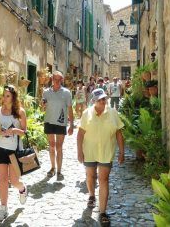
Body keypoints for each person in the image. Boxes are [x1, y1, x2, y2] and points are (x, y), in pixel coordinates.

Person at [77, 88, 125, 227]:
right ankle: (92, 195)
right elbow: (80, 134)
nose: (103, 101)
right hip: (90, 151)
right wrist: (79, 151)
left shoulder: (113, 113)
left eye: (104, 98)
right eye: (100, 100)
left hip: (106, 151)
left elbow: (119, 134)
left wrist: (121, 152)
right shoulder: (87, 114)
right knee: (90, 176)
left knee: (104, 179)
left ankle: (103, 212)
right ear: (94, 101)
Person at [0, 85, 28, 221]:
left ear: (13, 97)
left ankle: (22, 189)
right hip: (0, 149)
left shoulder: (20, 112)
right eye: (3, 95)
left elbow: (24, 132)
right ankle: (3, 208)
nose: (4, 98)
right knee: (3, 180)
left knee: (14, 180)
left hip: (14, 150)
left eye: (7, 96)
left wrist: (15, 131)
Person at [41, 71, 74, 179]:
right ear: (52, 79)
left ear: (62, 80)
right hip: (49, 121)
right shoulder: (46, 92)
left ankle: (59, 170)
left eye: (59, 79)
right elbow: (43, 109)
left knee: (59, 147)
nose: (57, 81)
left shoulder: (66, 93)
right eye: (55, 79)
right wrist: (43, 106)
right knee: (51, 146)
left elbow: (70, 109)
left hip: (61, 122)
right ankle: (52, 168)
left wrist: (72, 124)